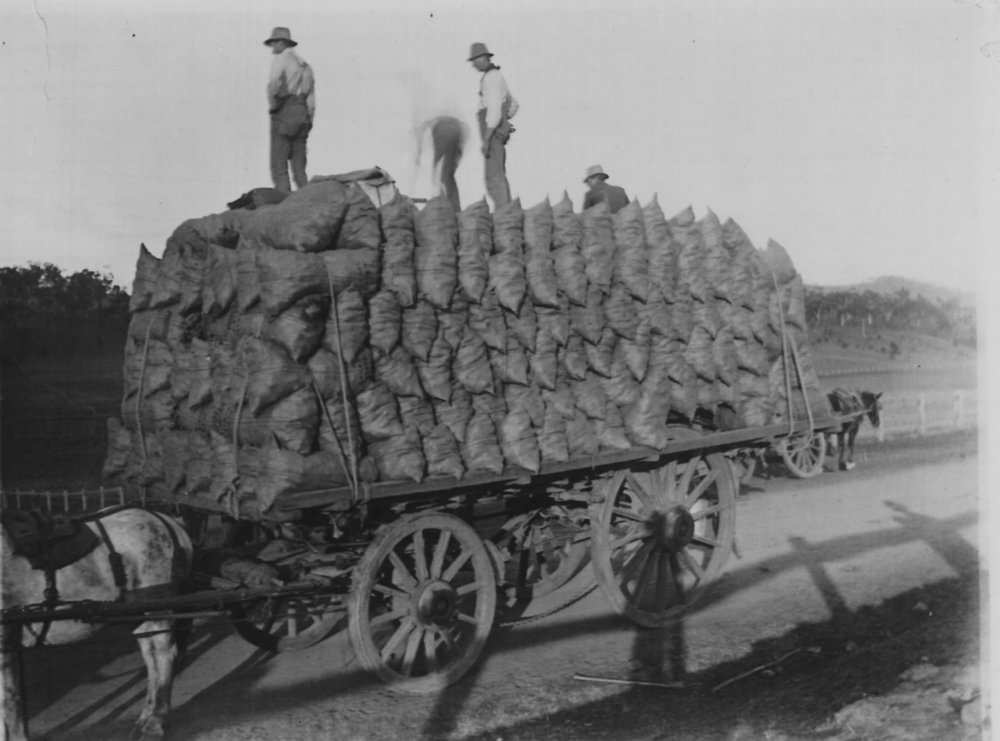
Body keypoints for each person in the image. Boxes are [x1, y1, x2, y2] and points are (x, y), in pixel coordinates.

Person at [265, 27, 315, 192]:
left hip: (285, 113)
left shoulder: (281, 60)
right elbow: (311, 101)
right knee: (299, 168)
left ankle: (285, 207)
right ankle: (308, 200)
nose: (273, 48)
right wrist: (308, 122)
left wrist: (273, 107)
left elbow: (273, 85)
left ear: (281, 42)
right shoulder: (306, 66)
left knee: (279, 165)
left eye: (274, 43)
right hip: (303, 116)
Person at [468, 43, 518, 209]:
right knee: (497, 175)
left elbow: (494, 111)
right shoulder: (493, 76)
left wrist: (487, 138)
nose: (473, 64)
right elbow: (513, 105)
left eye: (474, 60)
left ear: (483, 58)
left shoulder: (492, 77)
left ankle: (504, 216)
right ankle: (506, 216)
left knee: (494, 177)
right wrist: (505, 118)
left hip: (492, 133)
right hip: (496, 131)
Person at [414, 115, 468, 212]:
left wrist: (418, 154)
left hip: (443, 129)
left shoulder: (421, 125)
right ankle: (453, 209)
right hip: (457, 128)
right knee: (447, 175)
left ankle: (448, 210)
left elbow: (419, 134)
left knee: (440, 176)